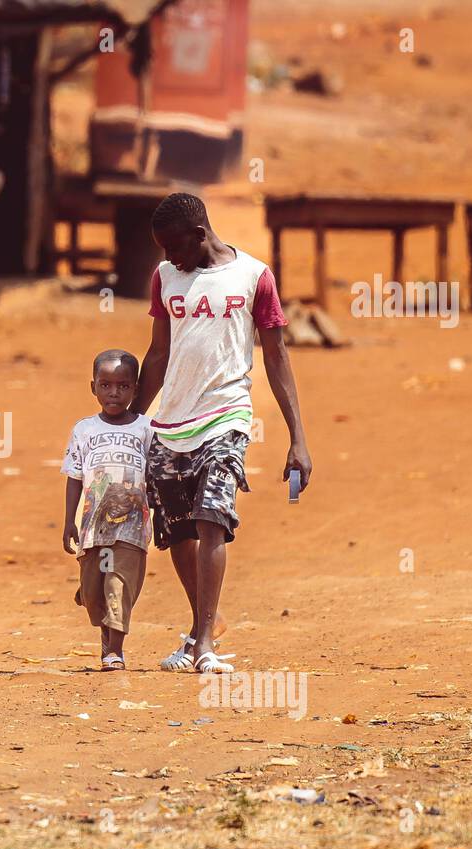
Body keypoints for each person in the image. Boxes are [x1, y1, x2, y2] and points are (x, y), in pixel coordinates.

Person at [132, 193, 312, 674]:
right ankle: (201, 628)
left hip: (227, 416)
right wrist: (133, 418)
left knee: (213, 518)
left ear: (199, 234)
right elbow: (157, 354)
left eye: (174, 246)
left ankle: (205, 644)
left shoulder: (254, 277)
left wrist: (298, 438)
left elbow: (276, 355)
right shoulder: (165, 278)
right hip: (171, 421)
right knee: (178, 533)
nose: (169, 257)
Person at [62, 350, 154, 671]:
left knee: (119, 584)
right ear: (93, 388)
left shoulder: (146, 429)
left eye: (123, 386)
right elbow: (74, 478)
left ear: (136, 389)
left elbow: (155, 476)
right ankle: (91, 600)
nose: (114, 393)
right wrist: (68, 523)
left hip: (131, 526)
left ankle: (114, 651)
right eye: (106, 385)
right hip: (93, 527)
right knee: (95, 592)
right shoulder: (84, 430)